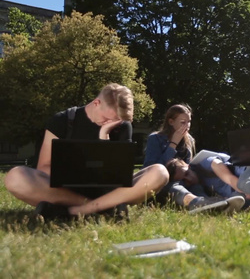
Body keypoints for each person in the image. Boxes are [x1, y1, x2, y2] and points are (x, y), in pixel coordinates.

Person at [3, 83, 169, 220]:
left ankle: (78, 211)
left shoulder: (121, 126)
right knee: (15, 177)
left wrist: (104, 136)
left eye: (116, 122)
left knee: (160, 173)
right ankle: (101, 209)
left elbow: (118, 175)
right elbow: (44, 167)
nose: (110, 124)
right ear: (96, 103)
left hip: (109, 191)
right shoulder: (62, 120)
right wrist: (74, 173)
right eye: (106, 119)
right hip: (65, 190)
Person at [143, 104, 243, 214]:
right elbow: (151, 168)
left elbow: (188, 165)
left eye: (189, 121)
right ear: (171, 122)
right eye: (182, 122)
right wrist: (173, 144)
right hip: (165, 183)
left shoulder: (189, 139)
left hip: (185, 180)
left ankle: (210, 203)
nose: (187, 125)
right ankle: (198, 203)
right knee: (175, 186)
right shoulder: (156, 138)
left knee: (195, 184)